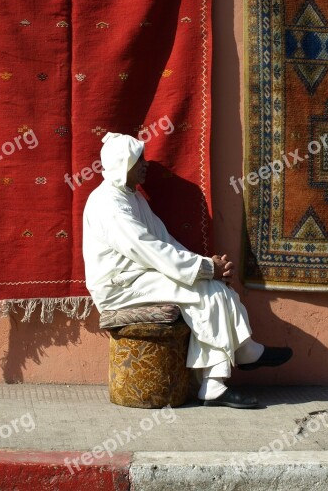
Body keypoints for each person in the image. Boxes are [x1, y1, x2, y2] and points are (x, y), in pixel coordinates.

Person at [82, 132, 292, 408]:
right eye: (139, 159)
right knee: (206, 288)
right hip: (119, 286)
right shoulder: (109, 204)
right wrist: (205, 268)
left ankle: (233, 363)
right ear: (123, 164)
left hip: (139, 277)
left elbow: (165, 241)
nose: (146, 163)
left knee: (215, 287)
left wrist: (206, 264)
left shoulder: (133, 198)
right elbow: (147, 249)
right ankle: (228, 371)